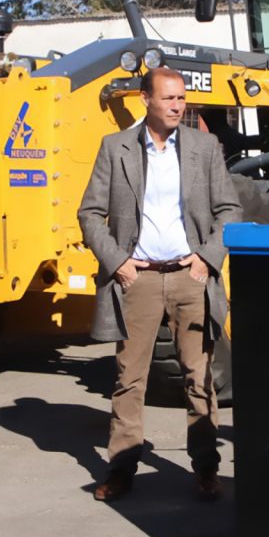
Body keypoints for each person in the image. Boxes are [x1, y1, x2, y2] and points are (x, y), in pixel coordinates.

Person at [78, 67, 242, 502]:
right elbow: (89, 213)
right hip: (140, 280)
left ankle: (206, 468)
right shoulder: (115, 148)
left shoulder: (204, 148)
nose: (177, 106)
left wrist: (207, 258)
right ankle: (121, 470)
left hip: (191, 278)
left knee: (199, 377)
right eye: (168, 98)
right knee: (129, 379)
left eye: (181, 98)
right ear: (145, 99)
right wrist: (118, 263)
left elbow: (229, 209)